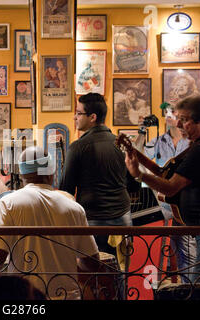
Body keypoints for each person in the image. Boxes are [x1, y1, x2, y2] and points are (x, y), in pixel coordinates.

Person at [0, 146, 116, 300]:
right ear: (51, 173)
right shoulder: (74, 208)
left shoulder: (8, 203)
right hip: (68, 297)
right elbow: (92, 263)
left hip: (25, 297)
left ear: (22, 173)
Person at [125, 94, 200, 283]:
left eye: (185, 120)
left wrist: (138, 175)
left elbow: (171, 187)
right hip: (199, 228)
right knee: (196, 279)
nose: (179, 124)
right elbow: (164, 172)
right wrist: (137, 156)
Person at [60, 93, 132, 261]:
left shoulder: (77, 147)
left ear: (92, 117)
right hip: (123, 216)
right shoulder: (121, 143)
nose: (74, 117)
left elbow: (66, 190)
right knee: (122, 271)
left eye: (78, 113)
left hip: (93, 218)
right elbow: (133, 183)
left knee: (94, 273)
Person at [136, 104, 196, 283]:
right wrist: (142, 130)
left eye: (173, 111)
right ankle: (161, 286)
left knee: (188, 254)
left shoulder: (191, 141)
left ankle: (189, 287)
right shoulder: (158, 141)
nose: (169, 115)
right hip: (163, 206)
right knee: (157, 251)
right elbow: (136, 153)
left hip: (185, 206)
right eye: (166, 112)